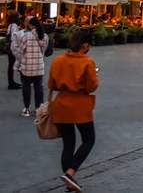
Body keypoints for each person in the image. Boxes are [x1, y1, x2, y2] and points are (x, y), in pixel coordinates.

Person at [48, 30, 99, 192]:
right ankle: (71, 173)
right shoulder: (87, 62)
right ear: (85, 45)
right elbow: (91, 86)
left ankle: (69, 183)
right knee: (89, 139)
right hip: (80, 106)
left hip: (61, 104)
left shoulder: (58, 60)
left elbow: (51, 84)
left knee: (68, 143)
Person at [13, 16, 49, 117]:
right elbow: (43, 50)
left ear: (31, 25)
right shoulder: (45, 36)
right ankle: (38, 108)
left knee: (26, 87)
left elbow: (20, 51)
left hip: (27, 65)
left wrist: (20, 60)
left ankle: (27, 108)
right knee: (39, 87)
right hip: (39, 65)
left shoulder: (26, 36)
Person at [6, 11, 23, 90]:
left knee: (11, 65)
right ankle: (12, 83)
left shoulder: (10, 25)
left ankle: (11, 82)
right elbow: (14, 36)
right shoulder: (14, 25)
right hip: (13, 48)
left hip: (10, 48)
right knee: (16, 64)